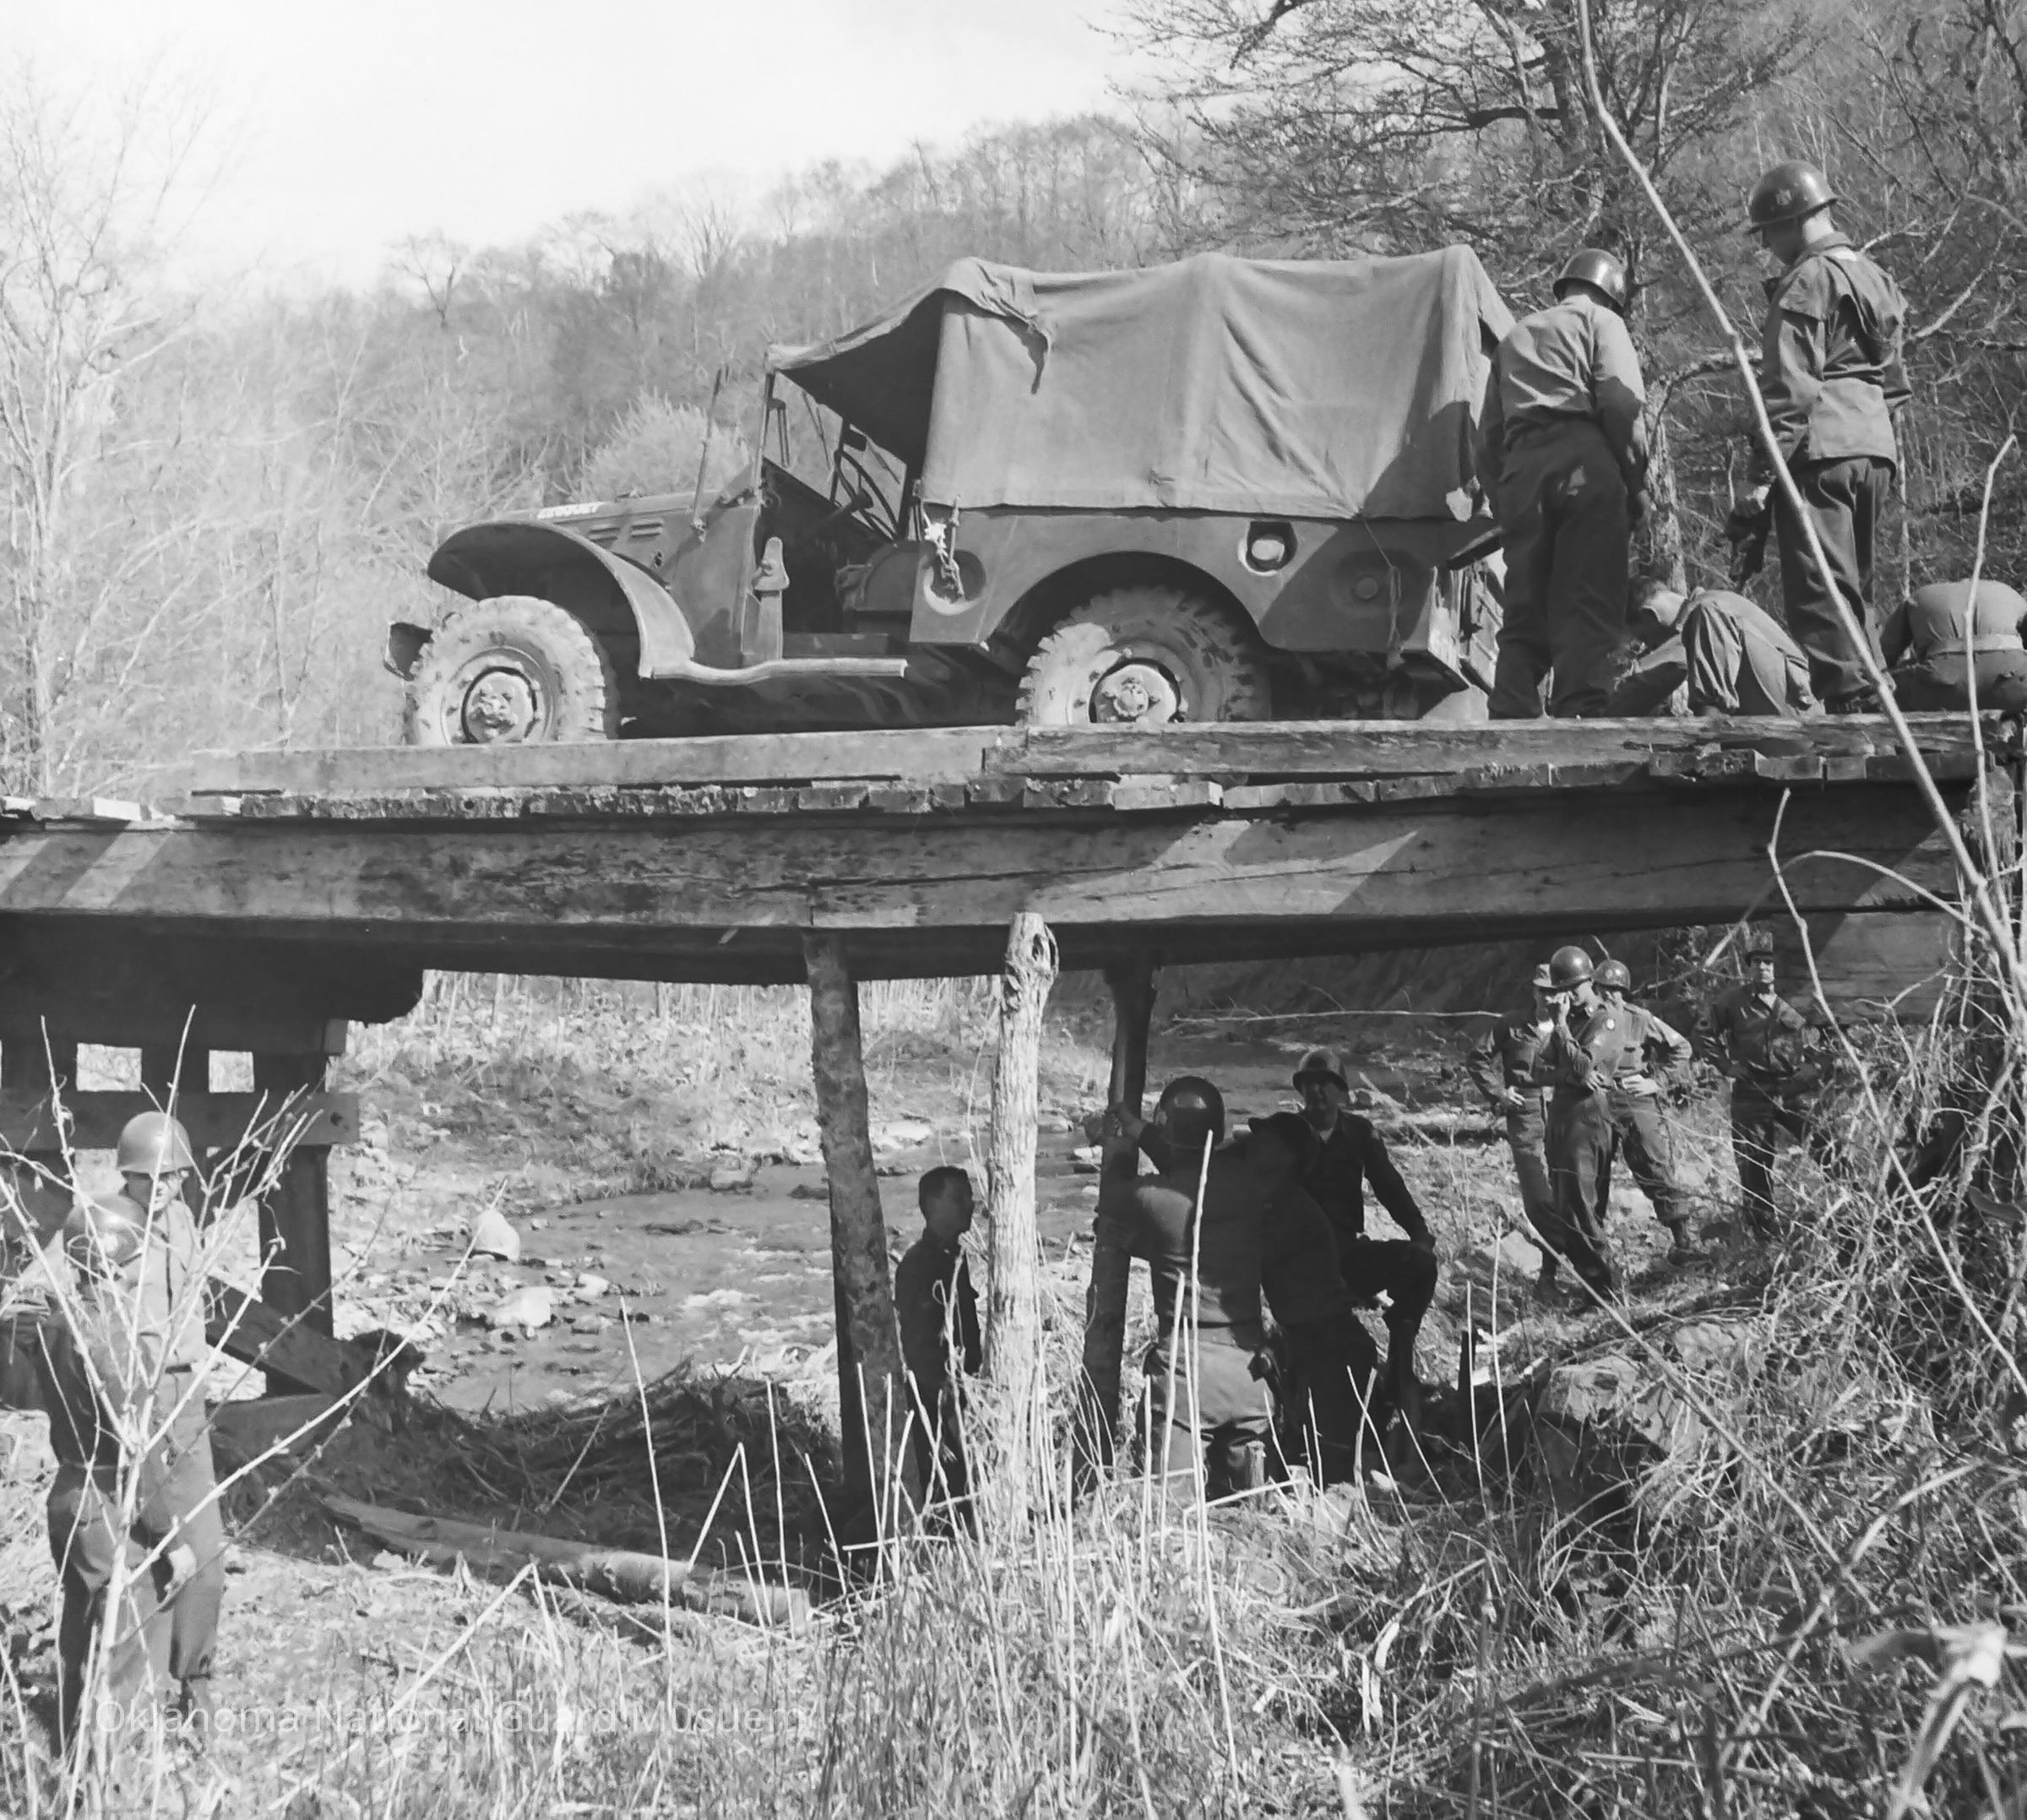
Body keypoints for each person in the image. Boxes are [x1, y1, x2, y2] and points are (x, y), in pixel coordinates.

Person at [45, 1111, 222, 1750]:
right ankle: (105, 1723)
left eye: (175, 1175)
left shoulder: (184, 1222)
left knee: (204, 1558)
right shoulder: (107, 1230)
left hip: (183, 1395)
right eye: (153, 1177)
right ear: (130, 1176)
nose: (166, 1186)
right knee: (135, 1570)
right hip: (130, 1397)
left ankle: (193, 1688)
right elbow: (74, 1309)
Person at [1727, 160, 1910, 713]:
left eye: (1767, 233)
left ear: (1793, 220)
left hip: (1821, 450)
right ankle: (1877, 696)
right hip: (1873, 449)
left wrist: (1761, 478)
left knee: (1821, 588)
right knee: (1856, 588)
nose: (1767, 246)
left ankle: (1852, 710)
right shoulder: (1876, 276)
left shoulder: (1807, 279)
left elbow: (1789, 389)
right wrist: (1874, 442)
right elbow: (1895, 386)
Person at [1477, 247, 1649, 720]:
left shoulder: (1515, 337)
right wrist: (1635, 483)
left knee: (1524, 600)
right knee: (1588, 591)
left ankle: (1511, 710)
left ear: (1564, 286)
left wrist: (1509, 499)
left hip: (1521, 470)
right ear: (1611, 296)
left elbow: (1487, 441)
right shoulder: (1601, 322)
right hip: (1584, 464)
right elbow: (1620, 404)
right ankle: (1581, 709)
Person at [1102, 1077, 1274, 1502]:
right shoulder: (1250, 1186)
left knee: (1173, 1512)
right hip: (1251, 1369)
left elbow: (1109, 1212)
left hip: (1188, 1371)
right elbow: (1194, 1167)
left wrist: (1117, 1144)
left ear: (1166, 1129)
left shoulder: (1148, 1198)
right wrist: (1141, 1130)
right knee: (1251, 1513)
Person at [1290, 1048, 1437, 1410]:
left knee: (1420, 1265)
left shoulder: (1359, 1133)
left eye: (1325, 1084)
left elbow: (1388, 1186)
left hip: (1346, 1254)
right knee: (1337, 1353)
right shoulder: (1285, 1136)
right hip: (1300, 1264)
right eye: (1309, 1084)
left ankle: (1399, 1370)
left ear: (1342, 1091)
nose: (1317, 1091)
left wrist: (1419, 1233)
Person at [1247, 1112, 1386, 1484]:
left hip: (1331, 1345)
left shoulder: (1290, 1210)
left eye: (1265, 1141)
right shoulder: (1274, 1201)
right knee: (1312, 1450)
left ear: (1287, 1156)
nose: (1253, 1146)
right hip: (1312, 1339)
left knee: (1333, 1464)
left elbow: (1245, 1259)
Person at [1708, 930, 1826, 1234]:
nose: (1762, 967)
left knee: (1827, 1144)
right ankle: (1763, 1232)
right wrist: (1727, 1066)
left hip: (1795, 1088)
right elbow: (1703, 1032)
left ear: (1780, 965)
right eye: (1757, 961)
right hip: (1752, 1089)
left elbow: (1830, 1030)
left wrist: (1816, 1065)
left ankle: (1851, 1211)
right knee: (1754, 1160)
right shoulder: (1733, 1001)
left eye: (1769, 961)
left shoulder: (1800, 997)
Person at [1539, 946, 1638, 1302]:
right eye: (1562, 990)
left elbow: (1584, 1064)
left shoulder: (1604, 1019)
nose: (1568, 996)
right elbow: (1538, 1070)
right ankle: (1594, 1286)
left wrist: (1561, 1027)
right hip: (1562, 1115)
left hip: (1588, 1117)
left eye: (1574, 988)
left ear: (1589, 983)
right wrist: (1571, 1073)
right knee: (1566, 1205)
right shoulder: (1571, 1021)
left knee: (1582, 1205)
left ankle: (1606, 1284)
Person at [1593, 959, 1698, 1261]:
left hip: (1634, 1098)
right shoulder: (1585, 1018)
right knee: (1593, 1175)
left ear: (1624, 992)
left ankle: (1683, 1243)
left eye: (1616, 990)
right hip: (1595, 1100)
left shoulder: (1639, 1019)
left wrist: (1657, 1082)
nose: (1609, 995)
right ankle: (1595, 1253)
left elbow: (1682, 1048)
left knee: (1655, 1164)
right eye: (1603, 988)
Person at [894, 1165, 982, 1513]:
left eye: (969, 1197)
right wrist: (947, 1404)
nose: (970, 1205)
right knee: (948, 1496)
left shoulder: (953, 1257)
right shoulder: (919, 1265)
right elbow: (918, 1347)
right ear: (932, 1206)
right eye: (958, 1198)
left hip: (961, 1398)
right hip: (936, 1406)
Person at [1465, 964, 1559, 1280]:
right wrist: (1499, 1093)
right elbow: (1477, 1058)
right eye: (1544, 991)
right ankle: (1553, 1267)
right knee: (1538, 1196)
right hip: (1526, 1113)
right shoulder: (1511, 1024)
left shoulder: (1574, 1025)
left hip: (1566, 1111)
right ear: (1534, 991)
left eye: (1555, 992)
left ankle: (1572, 1267)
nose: (1549, 998)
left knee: (1568, 1190)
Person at [1611, 584, 1815, 718]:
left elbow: (1654, 676)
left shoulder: (1710, 609)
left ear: (1650, 615)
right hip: (1778, 713)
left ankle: (1710, 732)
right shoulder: (1711, 611)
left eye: (1646, 638)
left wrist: (1606, 711)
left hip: (1799, 714)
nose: (1653, 648)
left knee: (1708, 616)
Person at [1882, 579, 2027, 713]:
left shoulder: (1920, 596)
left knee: (1886, 688)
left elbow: (1883, 656)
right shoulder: (2010, 593)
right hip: (2012, 684)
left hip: (1942, 688)